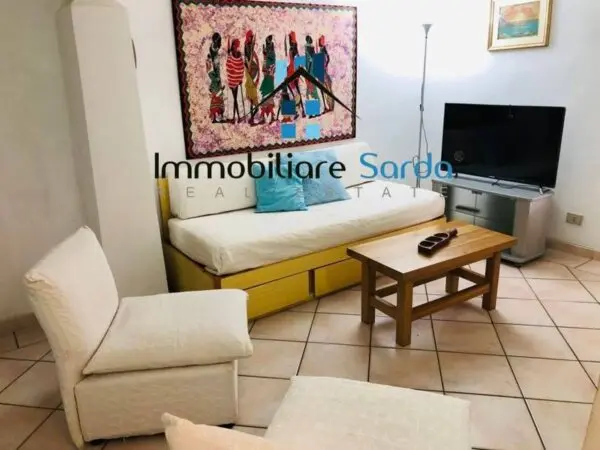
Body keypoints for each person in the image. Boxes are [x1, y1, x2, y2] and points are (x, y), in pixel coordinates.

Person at [206, 32, 224, 123]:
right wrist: (216, 79)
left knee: (218, 96)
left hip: (217, 76)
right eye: (219, 41)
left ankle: (217, 115)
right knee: (217, 96)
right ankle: (215, 115)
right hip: (215, 78)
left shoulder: (215, 49)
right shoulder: (213, 49)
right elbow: (209, 71)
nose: (220, 43)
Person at [226, 38, 245, 123]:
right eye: (236, 45)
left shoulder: (238, 56)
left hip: (236, 81)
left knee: (235, 99)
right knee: (233, 100)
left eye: (237, 46)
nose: (236, 47)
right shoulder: (230, 56)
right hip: (232, 80)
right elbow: (228, 66)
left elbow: (241, 67)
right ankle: (235, 117)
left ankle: (237, 117)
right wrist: (232, 77)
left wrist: (239, 78)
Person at [258, 35, 276, 124]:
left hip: (269, 78)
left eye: (268, 44)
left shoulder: (272, 54)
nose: (268, 46)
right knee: (265, 98)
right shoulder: (270, 54)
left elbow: (272, 67)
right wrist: (264, 56)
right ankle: (264, 117)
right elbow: (265, 67)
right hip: (267, 78)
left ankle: (270, 117)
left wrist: (265, 56)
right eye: (267, 44)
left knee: (268, 98)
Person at [244, 30, 260, 124]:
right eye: (250, 37)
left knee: (254, 103)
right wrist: (248, 64)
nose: (251, 38)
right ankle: (252, 119)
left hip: (249, 70)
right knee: (252, 99)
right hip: (248, 67)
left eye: (252, 37)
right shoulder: (247, 45)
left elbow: (252, 54)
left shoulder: (248, 45)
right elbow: (248, 56)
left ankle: (252, 118)